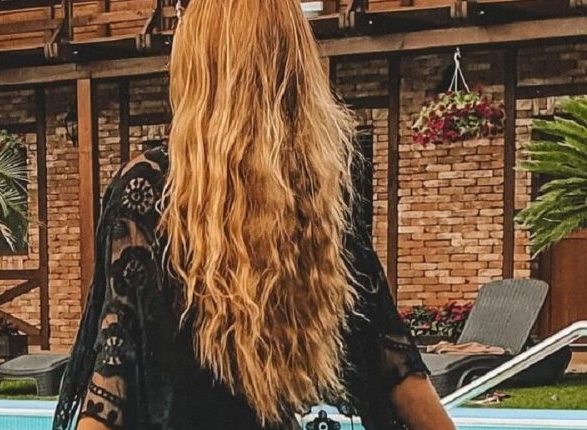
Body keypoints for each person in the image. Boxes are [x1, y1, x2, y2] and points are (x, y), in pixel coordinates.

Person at [52, 1, 457, 429]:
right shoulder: (320, 192)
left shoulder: (152, 188)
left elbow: (113, 370)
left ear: (199, 63)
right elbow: (395, 364)